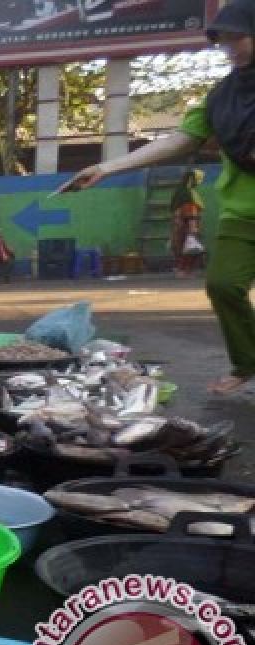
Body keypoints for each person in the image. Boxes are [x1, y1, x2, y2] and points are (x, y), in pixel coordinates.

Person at [62, 0, 255, 396]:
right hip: (244, 210)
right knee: (223, 285)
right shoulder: (221, 98)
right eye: (225, 41)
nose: (232, 47)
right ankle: (247, 363)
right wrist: (108, 168)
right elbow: (181, 139)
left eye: (239, 37)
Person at [169, 169, 207, 278]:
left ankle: (181, 270)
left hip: (178, 225)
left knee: (180, 246)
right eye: (197, 180)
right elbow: (190, 212)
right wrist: (193, 229)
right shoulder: (188, 194)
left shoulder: (180, 191)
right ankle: (185, 270)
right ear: (191, 180)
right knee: (189, 248)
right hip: (187, 226)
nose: (198, 182)